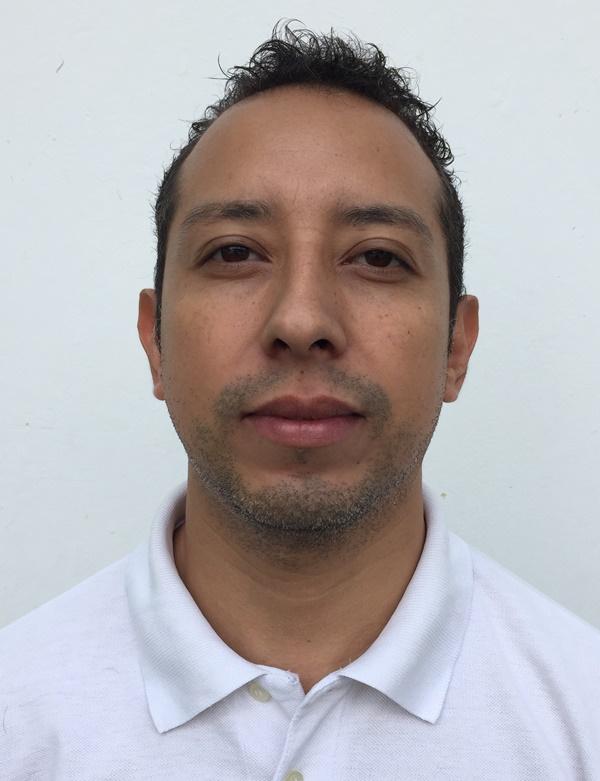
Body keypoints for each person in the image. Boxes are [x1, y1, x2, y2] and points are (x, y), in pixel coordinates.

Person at [1, 23, 599, 781]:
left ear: (457, 345)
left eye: (377, 257)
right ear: (155, 340)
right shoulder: (17, 719)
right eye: (235, 252)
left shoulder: (582, 717)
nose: (302, 320)